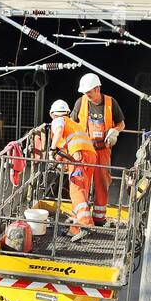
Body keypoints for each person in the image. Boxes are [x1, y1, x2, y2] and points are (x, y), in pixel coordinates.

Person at [71, 72, 125, 226]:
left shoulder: (110, 103)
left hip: (102, 151)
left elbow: (121, 123)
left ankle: (99, 218)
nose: (86, 95)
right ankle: (82, 219)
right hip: (85, 151)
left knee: (102, 183)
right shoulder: (80, 103)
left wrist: (115, 131)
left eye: (88, 92)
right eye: (85, 92)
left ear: (97, 89)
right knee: (83, 184)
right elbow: (72, 125)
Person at [48, 99, 97, 242]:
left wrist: (51, 151)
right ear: (68, 112)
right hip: (89, 156)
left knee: (76, 190)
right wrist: (58, 161)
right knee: (82, 191)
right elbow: (64, 150)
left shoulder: (59, 121)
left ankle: (86, 225)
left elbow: (58, 132)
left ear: (52, 114)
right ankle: (75, 228)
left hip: (79, 157)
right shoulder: (74, 125)